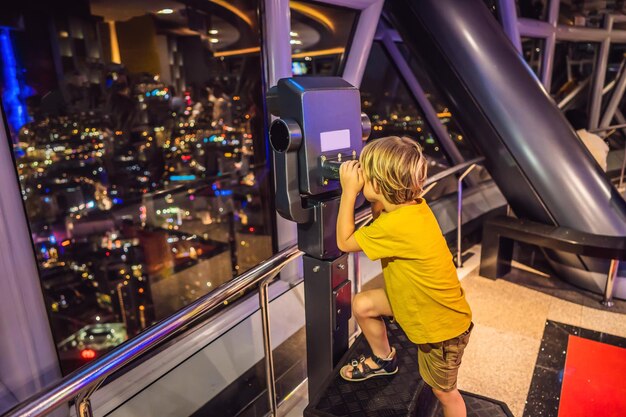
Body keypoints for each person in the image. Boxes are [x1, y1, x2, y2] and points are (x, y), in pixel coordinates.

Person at [336, 136, 473, 417]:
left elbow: (344, 242)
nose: (360, 176)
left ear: (381, 184)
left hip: (442, 328)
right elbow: (379, 214)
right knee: (363, 305)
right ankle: (384, 360)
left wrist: (349, 192)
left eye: (365, 172)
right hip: (414, 302)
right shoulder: (412, 207)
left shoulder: (398, 225)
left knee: (445, 393)